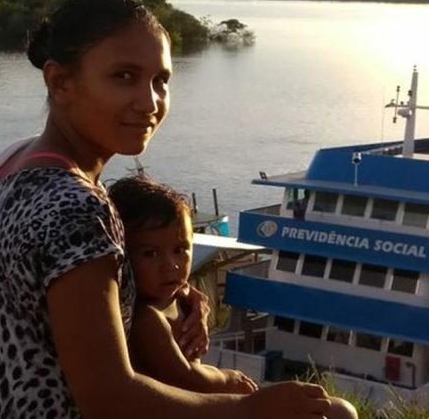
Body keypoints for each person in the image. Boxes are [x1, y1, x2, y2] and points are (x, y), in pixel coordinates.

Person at [0, 0, 335, 418]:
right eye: (124, 76)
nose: (150, 102)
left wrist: (182, 295)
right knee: (337, 415)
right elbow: (110, 398)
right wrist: (250, 408)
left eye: (160, 80)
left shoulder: (10, 169)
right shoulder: (75, 205)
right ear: (60, 83)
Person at [109, 176, 358, 418]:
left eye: (180, 249)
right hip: (191, 407)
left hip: (206, 401)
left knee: (341, 410)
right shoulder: (148, 319)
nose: (171, 266)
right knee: (337, 412)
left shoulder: (175, 298)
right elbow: (185, 376)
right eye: (150, 254)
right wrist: (229, 379)